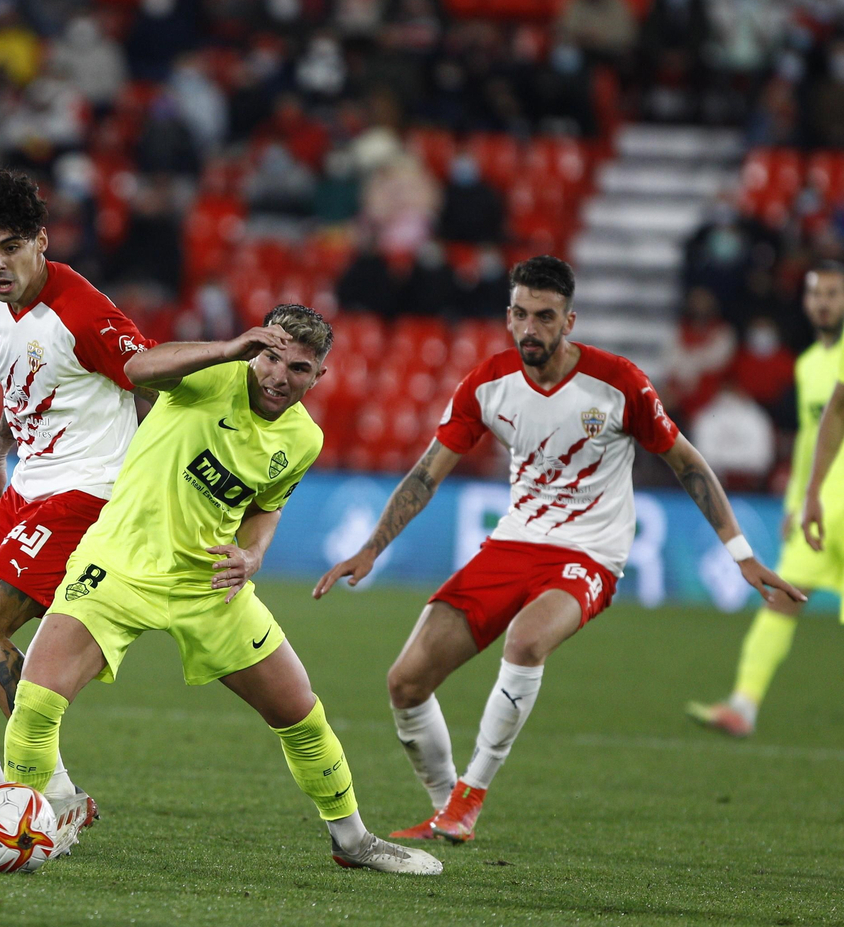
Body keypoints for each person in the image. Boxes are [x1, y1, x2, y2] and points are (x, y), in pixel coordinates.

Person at [317, 255, 803, 843]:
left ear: (569, 321)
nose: (530, 329)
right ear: (508, 316)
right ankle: (447, 805)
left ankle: (470, 797)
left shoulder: (618, 383)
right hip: (514, 542)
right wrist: (372, 547)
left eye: (545, 317)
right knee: (406, 682)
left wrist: (741, 552)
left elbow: (687, 463)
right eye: (520, 314)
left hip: (590, 553)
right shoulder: (487, 384)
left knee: (526, 641)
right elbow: (426, 474)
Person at [2, 306, 443, 874]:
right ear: (255, 349)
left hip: (208, 584)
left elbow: (266, 507)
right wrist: (229, 348)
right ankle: (20, 830)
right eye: (271, 357)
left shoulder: (303, 439)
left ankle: (353, 842)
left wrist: (253, 555)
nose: (279, 376)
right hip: (118, 564)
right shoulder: (210, 373)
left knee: (301, 714)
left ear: (319, 375)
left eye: (299, 368)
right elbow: (138, 370)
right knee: (37, 703)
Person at [0, 167, 153, 844]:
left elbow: (153, 383)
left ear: (42, 241)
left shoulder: (85, 312)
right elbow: (29, 382)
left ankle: (57, 794)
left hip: (85, 494)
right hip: (26, 486)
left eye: (11, 247)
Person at [689, 263, 844, 736]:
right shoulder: (808, 364)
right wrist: (798, 499)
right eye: (816, 294)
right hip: (822, 510)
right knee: (782, 598)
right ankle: (744, 705)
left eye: (833, 294)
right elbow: (810, 440)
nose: (823, 303)